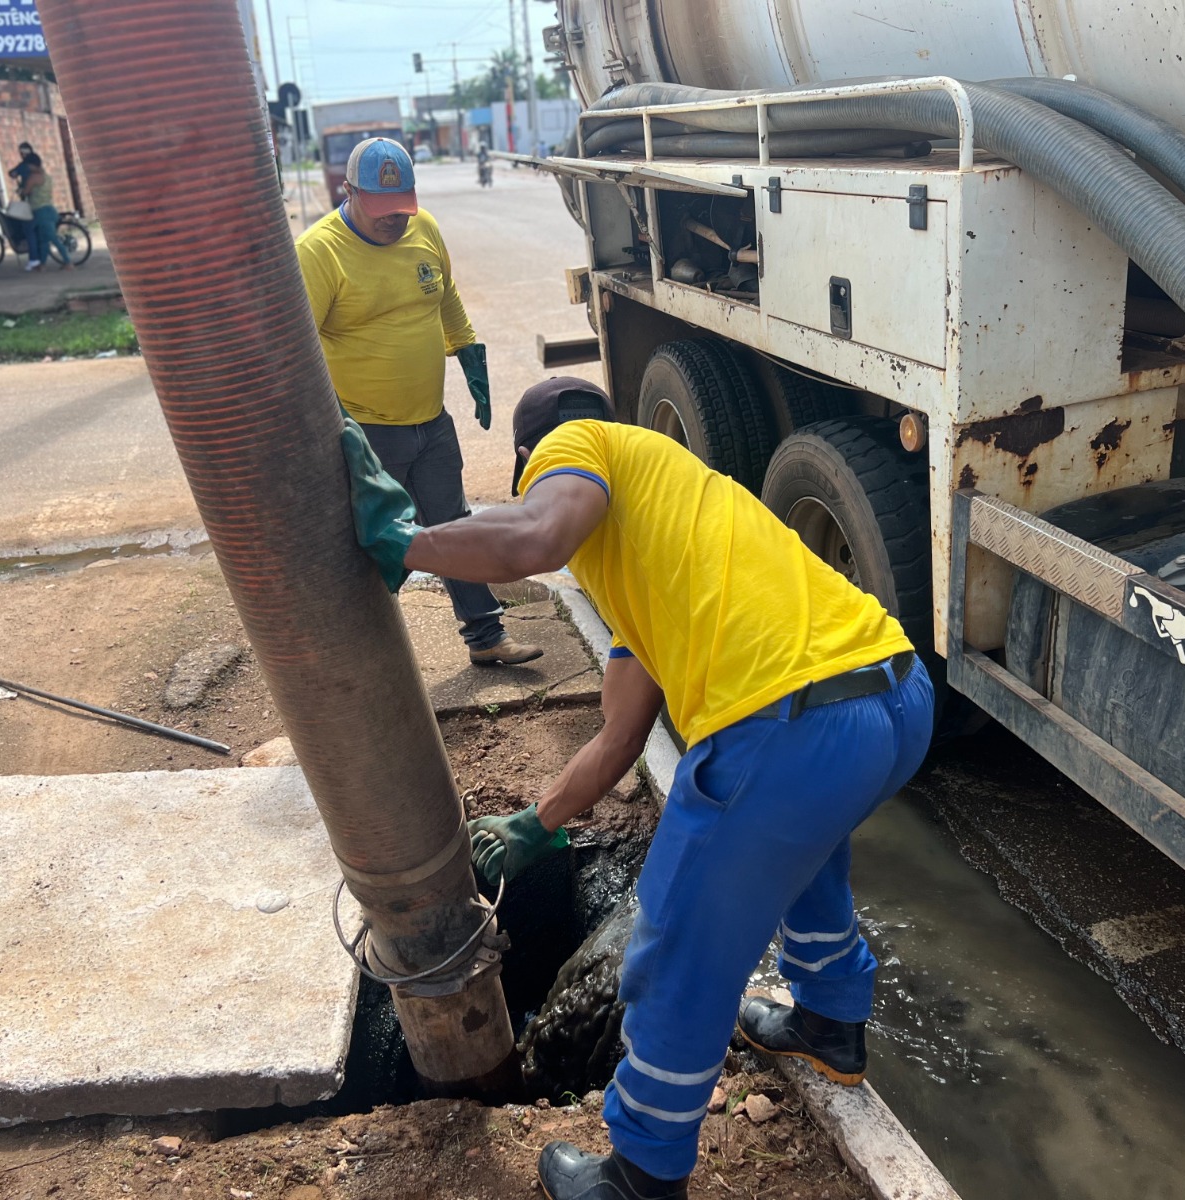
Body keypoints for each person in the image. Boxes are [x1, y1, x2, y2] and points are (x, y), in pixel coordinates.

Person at [340, 377, 935, 1199]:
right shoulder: (664, 534)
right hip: (896, 696)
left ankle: (642, 1174)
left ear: (527, 459)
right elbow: (620, 735)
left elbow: (531, 539)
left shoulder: (580, 446)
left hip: (793, 725)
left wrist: (408, 537)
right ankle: (829, 1021)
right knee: (803, 849)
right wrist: (536, 823)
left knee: (673, 946)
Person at [297, 136, 539, 667]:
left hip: (432, 421)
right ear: (349, 191)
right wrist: (330, 423)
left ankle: (486, 636)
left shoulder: (422, 227)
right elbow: (298, 347)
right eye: (383, 211)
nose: (395, 221)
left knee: (453, 525)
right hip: (366, 432)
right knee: (373, 544)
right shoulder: (319, 252)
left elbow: (445, 293)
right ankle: (363, 660)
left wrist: (468, 353)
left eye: (402, 208)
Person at [20, 152, 73, 272]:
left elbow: (26, 191)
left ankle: (68, 262)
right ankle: (42, 264)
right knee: (44, 240)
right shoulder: (47, 176)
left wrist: (21, 191)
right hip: (50, 209)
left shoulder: (33, 177)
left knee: (52, 238)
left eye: (28, 165)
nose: (28, 168)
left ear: (32, 165)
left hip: (40, 211)